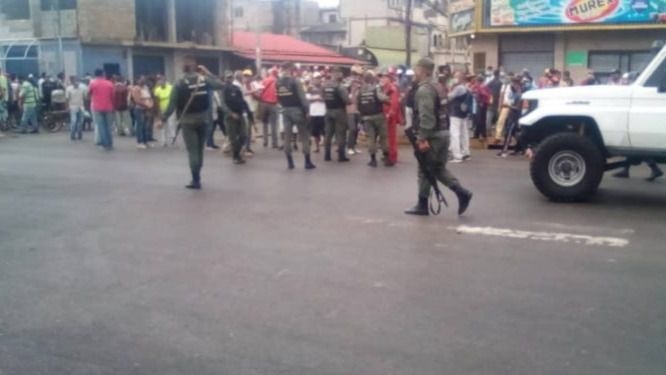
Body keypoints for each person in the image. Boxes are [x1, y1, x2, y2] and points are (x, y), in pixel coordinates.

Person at [404, 58, 473, 216]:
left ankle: (422, 205)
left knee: (424, 170)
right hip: (443, 133)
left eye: (416, 69)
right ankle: (462, 193)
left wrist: (422, 138)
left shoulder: (424, 90)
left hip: (432, 135)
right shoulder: (438, 86)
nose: (414, 73)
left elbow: (427, 117)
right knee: (438, 169)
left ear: (423, 71)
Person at [162, 64, 225, 189]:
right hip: (203, 119)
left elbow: (172, 104)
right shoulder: (204, 80)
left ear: (183, 70)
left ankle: (196, 180)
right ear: (196, 69)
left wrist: (163, 119)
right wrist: (208, 73)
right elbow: (221, 85)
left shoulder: (179, 84)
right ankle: (198, 176)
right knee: (199, 150)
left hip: (187, 121)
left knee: (192, 152)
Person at [277, 62, 316, 170]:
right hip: (297, 110)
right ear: (290, 69)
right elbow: (303, 98)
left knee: (287, 137)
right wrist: (307, 110)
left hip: (285, 110)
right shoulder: (295, 81)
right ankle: (307, 162)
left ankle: (290, 163)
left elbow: (278, 97)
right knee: (304, 136)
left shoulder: (278, 82)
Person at [357, 70, 390, 167]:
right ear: (372, 79)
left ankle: (373, 160)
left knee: (371, 139)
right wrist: (388, 100)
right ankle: (386, 158)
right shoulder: (376, 88)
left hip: (366, 118)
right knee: (383, 137)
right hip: (379, 116)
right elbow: (382, 98)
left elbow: (358, 104)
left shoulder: (361, 90)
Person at [219, 70, 251, 165]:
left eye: (231, 77)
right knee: (233, 138)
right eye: (228, 77)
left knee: (244, 135)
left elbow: (242, 101)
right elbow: (223, 104)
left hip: (240, 114)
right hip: (230, 117)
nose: (230, 79)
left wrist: (246, 111)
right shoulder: (224, 89)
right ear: (225, 79)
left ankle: (237, 153)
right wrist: (230, 113)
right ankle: (236, 156)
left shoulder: (236, 88)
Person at [323, 67, 351, 162]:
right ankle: (341, 156)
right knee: (341, 133)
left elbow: (322, 96)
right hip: (339, 111)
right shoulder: (340, 86)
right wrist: (350, 100)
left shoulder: (325, 85)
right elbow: (346, 100)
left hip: (328, 110)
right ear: (338, 74)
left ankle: (327, 155)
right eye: (341, 73)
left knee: (328, 134)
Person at [448, 71, 472, 163]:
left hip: (455, 113)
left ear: (460, 78)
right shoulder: (466, 87)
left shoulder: (458, 88)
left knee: (454, 134)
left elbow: (449, 97)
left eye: (455, 77)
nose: (453, 79)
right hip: (463, 113)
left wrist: (450, 88)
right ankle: (466, 153)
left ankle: (457, 155)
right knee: (464, 133)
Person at [88, 69, 115, 150]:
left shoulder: (92, 84)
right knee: (108, 126)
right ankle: (110, 143)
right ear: (103, 74)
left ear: (95, 74)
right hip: (109, 107)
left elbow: (89, 94)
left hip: (97, 108)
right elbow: (113, 96)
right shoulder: (109, 83)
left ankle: (104, 144)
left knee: (101, 127)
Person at [382, 71, 403, 166]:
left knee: (391, 137)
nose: (382, 79)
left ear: (389, 79)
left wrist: (390, 114)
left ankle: (392, 157)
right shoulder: (385, 88)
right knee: (387, 137)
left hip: (389, 116)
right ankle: (388, 155)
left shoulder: (392, 89)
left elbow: (394, 104)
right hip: (386, 115)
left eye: (385, 77)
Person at [130, 76, 155, 149]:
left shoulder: (146, 88)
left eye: (144, 80)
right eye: (141, 80)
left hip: (147, 109)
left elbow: (149, 97)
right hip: (139, 109)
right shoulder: (135, 89)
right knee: (140, 126)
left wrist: (151, 104)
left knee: (145, 126)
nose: (143, 81)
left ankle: (145, 141)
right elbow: (137, 100)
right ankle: (140, 142)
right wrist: (147, 105)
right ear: (138, 81)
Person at [257, 68, 279, 148]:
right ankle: (274, 143)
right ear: (276, 73)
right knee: (273, 124)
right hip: (273, 104)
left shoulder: (265, 80)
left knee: (264, 123)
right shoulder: (278, 81)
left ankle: (265, 141)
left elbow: (259, 91)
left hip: (264, 103)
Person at [154, 75, 176, 147]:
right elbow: (156, 101)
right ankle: (164, 141)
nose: (162, 82)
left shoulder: (170, 87)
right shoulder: (157, 90)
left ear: (166, 81)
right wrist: (158, 112)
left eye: (163, 80)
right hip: (162, 109)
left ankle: (173, 136)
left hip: (170, 109)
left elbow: (174, 98)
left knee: (171, 123)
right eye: (160, 81)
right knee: (162, 125)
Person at [307, 72, 326, 153]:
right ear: (313, 79)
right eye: (316, 78)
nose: (318, 80)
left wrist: (319, 99)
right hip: (313, 112)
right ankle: (317, 147)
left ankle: (326, 146)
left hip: (322, 112)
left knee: (324, 131)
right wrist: (316, 99)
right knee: (315, 132)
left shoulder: (324, 88)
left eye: (319, 78)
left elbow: (325, 99)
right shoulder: (310, 88)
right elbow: (307, 99)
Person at [346, 66, 362, 155]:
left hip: (357, 110)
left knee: (357, 129)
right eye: (355, 74)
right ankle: (349, 147)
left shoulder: (359, 85)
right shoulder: (347, 84)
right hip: (350, 110)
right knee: (352, 129)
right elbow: (349, 99)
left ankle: (354, 146)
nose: (357, 77)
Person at [66, 76, 86, 141]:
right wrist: (67, 107)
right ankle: (72, 135)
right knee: (74, 121)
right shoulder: (69, 89)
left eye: (77, 81)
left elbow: (85, 98)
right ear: (72, 82)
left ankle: (80, 135)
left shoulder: (82, 88)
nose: (76, 83)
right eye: (75, 81)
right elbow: (67, 99)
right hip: (72, 106)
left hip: (81, 106)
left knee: (80, 122)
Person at [471, 75, 491, 140]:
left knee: (479, 120)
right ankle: (480, 134)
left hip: (481, 104)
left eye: (476, 80)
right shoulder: (482, 86)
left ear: (479, 81)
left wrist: (480, 100)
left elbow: (484, 94)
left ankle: (480, 134)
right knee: (481, 120)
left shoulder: (482, 86)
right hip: (481, 104)